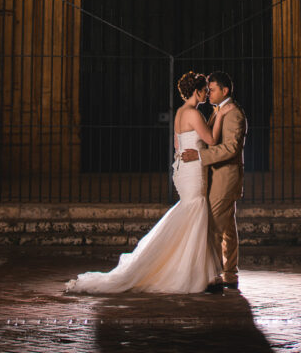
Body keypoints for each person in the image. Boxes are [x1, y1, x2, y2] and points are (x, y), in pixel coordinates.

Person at [64, 71, 221, 294]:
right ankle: (190, 272)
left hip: (182, 169)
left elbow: (178, 147)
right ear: (197, 91)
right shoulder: (194, 115)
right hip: (192, 169)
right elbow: (211, 140)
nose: (207, 94)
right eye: (205, 90)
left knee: (190, 210)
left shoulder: (179, 113)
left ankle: (195, 270)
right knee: (195, 209)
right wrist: (218, 116)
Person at [181, 71, 247, 292]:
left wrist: (200, 156)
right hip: (217, 176)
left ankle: (216, 276)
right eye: (207, 89)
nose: (208, 93)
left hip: (225, 178)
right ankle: (229, 274)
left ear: (225, 91)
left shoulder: (234, 114)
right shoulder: (218, 111)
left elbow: (230, 148)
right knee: (227, 226)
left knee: (216, 227)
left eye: (213, 89)